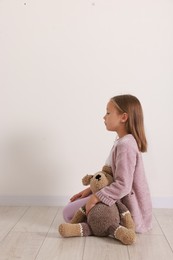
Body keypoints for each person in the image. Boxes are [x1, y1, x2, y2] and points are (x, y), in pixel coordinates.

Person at [63, 94, 152, 233]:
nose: (104, 117)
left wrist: (95, 197)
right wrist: (90, 190)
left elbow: (123, 185)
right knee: (70, 208)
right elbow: (110, 175)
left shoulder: (126, 145)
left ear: (123, 117)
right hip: (115, 196)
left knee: (68, 214)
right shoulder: (122, 141)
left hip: (128, 208)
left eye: (108, 113)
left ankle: (101, 225)